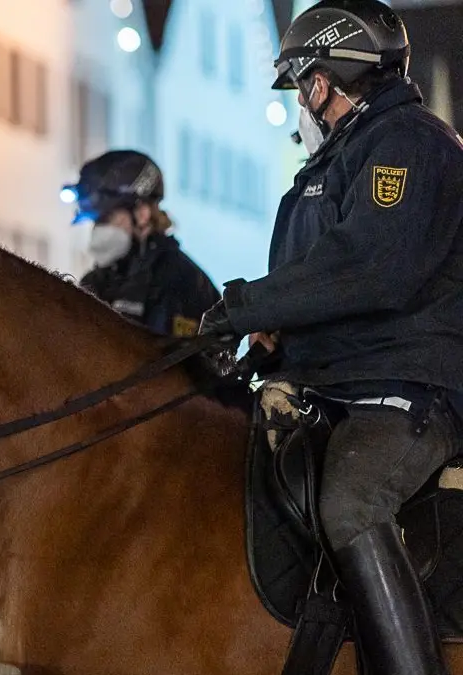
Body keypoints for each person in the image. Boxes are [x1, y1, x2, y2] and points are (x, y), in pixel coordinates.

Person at [198, 2, 463, 672]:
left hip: (406, 390)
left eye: (302, 84)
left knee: (351, 498)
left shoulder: (410, 144)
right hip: (336, 385)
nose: (301, 104)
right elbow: (316, 289)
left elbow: (372, 266)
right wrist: (266, 342)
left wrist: (245, 303)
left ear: (324, 82)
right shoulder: (321, 172)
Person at [62, 150, 219, 338]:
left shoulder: (183, 282)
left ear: (142, 214)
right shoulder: (96, 282)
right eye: (95, 221)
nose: (97, 230)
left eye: (106, 219)